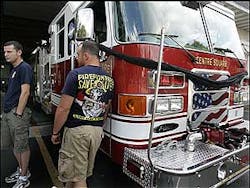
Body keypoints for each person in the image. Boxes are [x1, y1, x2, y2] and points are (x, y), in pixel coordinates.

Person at [51, 40, 114, 188]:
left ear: (86, 56)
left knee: (78, 178)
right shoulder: (109, 79)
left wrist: (55, 132)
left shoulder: (75, 74)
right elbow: (106, 107)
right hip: (96, 131)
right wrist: (98, 126)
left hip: (77, 133)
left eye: (78, 54)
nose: (76, 58)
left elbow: (63, 109)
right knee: (78, 173)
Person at [1, 41, 33, 188]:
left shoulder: (24, 68)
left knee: (22, 145)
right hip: (9, 112)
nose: (6, 54)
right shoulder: (14, 69)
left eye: (9, 52)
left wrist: (19, 113)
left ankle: (24, 176)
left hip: (17, 113)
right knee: (15, 145)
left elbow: (25, 92)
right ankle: (21, 170)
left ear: (19, 52)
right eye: (5, 52)